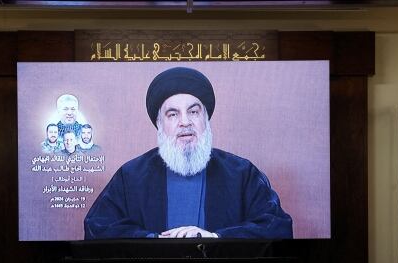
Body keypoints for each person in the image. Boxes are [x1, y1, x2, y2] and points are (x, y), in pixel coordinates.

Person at [84, 66, 293, 239]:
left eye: (193, 111)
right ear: (159, 124)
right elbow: (97, 227)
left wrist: (214, 238)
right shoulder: (131, 176)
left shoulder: (241, 173)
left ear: (206, 120)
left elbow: (278, 226)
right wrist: (152, 242)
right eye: (173, 114)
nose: (185, 122)